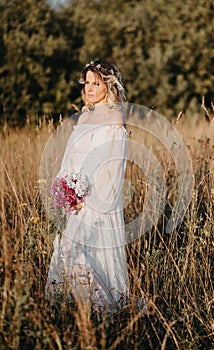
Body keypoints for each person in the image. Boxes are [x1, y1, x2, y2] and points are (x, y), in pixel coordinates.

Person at [46, 60, 129, 311]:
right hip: (76, 201)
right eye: (87, 83)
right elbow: (71, 158)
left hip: (98, 199)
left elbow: (114, 166)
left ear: (108, 85)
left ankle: (101, 312)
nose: (90, 89)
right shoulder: (83, 118)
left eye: (96, 83)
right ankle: (73, 309)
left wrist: (92, 199)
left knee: (93, 257)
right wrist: (65, 189)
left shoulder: (115, 117)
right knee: (71, 253)